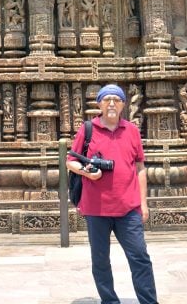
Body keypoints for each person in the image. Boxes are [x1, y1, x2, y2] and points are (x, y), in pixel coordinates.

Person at [67, 84, 158, 304]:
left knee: (140, 257)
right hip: (96, 209)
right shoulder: (87, 129)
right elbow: (70, 161)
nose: (111, 104)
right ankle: (109, 301)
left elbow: (140, 168)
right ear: (99, 104)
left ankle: (148, 301)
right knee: (100, 260)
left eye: (116, 100)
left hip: (128, 208)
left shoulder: (132, 131)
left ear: (123, 105)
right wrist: (89, 174)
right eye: (106, 99)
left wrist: (143, 204)